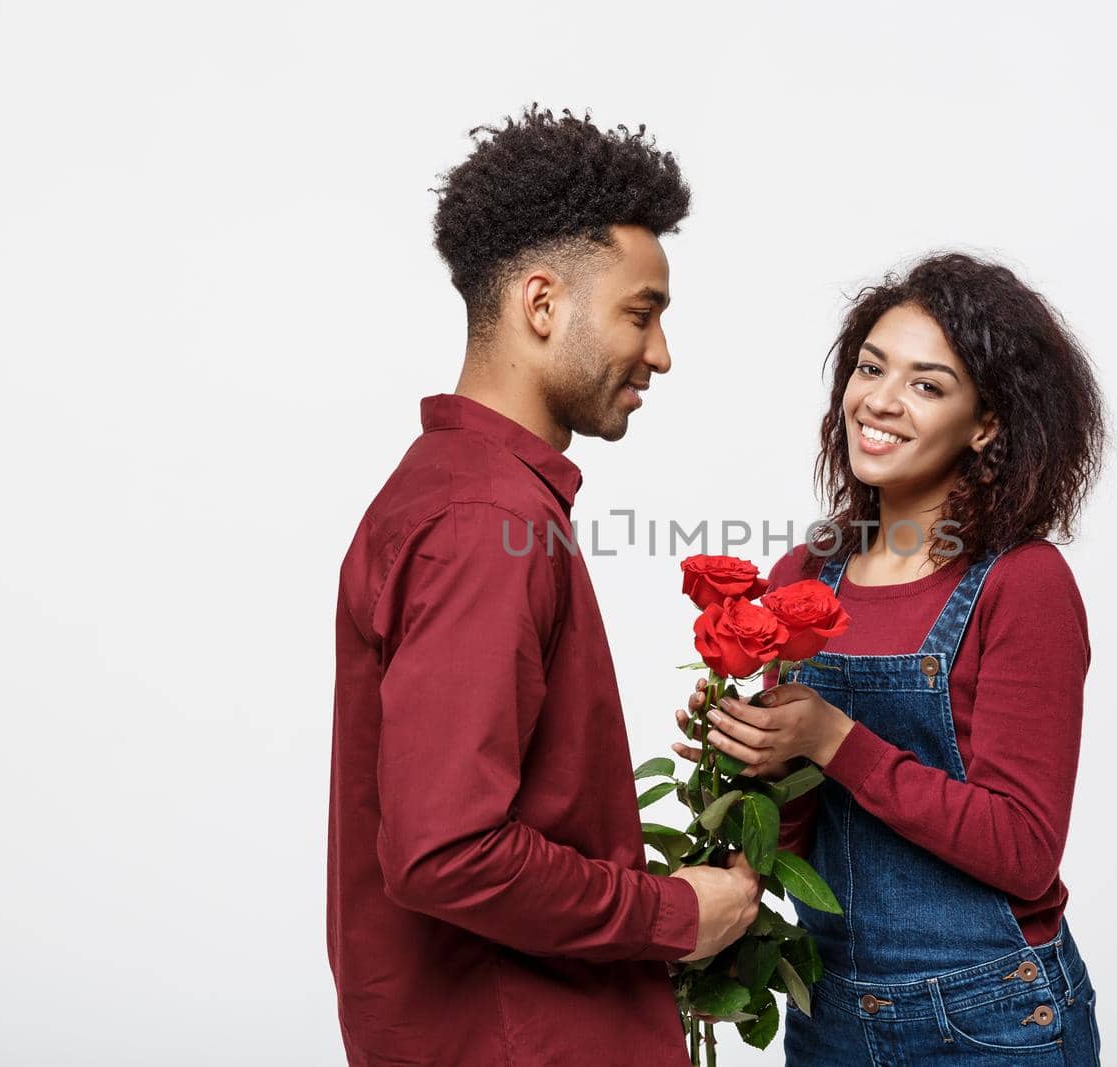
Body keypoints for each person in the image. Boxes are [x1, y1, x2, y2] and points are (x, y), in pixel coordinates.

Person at [328, 106, 761, 1067]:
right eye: (641, 314)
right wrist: (672, 912)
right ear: (541, 304)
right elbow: (445, 851)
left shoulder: (468, 497)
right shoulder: (482, 523)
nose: (660, 354)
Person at [674, 252, 1107, 1065]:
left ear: (987, 424)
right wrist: (743, 769)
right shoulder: (806, 574)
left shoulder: (1022, 583)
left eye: (926, 383)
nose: (880, 399)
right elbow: (798, 833)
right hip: (829, 1009)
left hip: (992, 1015)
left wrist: (833, 739)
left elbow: (1022, 848)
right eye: (871, 367)